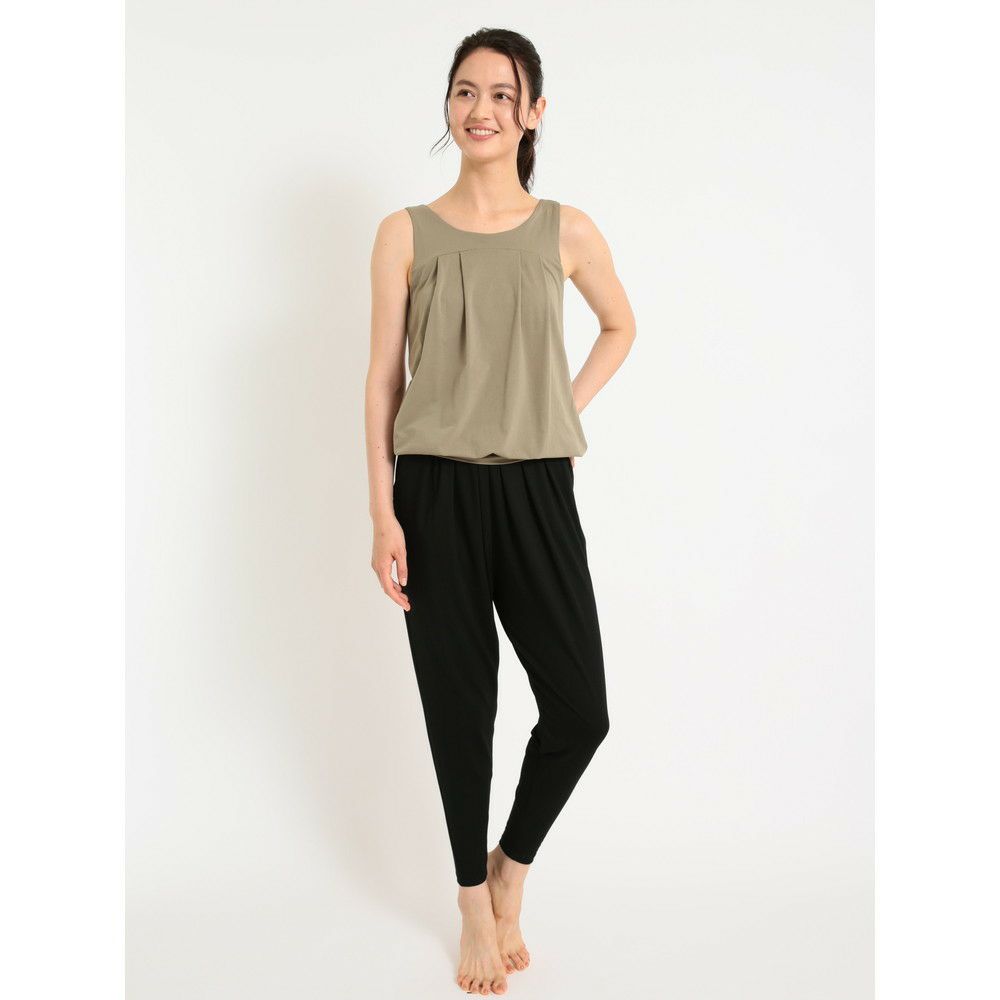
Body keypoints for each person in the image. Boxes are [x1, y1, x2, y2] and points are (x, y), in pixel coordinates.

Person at [365, 28, 636, 997]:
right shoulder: (405, 232)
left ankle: (510, 864)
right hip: (432, 490)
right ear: (449, 105)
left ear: (533, 113)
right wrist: (382, 513)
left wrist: (560, 407)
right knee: (460, 708)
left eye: (501, 93)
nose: (480, 109)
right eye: (464, 91)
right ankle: (471, 899)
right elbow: (383, 379)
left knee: (580, 709)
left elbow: (621, 325)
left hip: (536, 488)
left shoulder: (566, 230)